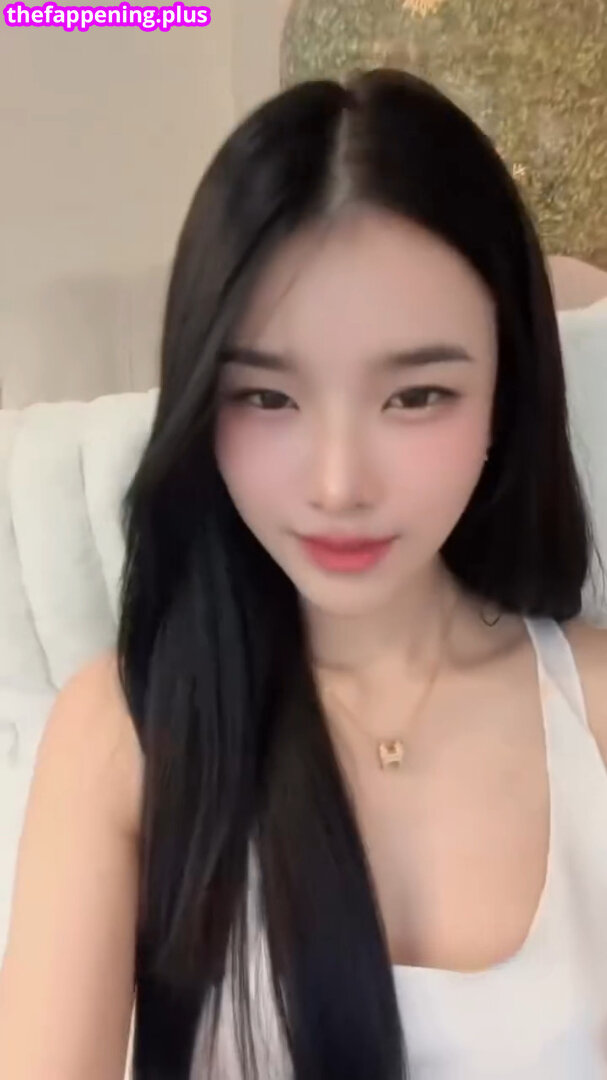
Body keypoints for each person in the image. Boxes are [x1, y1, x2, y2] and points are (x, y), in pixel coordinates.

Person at [1, 67, 607, 1080]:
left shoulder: (591, 715)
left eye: (415, 396)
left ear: (507, 390)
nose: (337, 484)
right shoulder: (128, 734)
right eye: (268, 399)